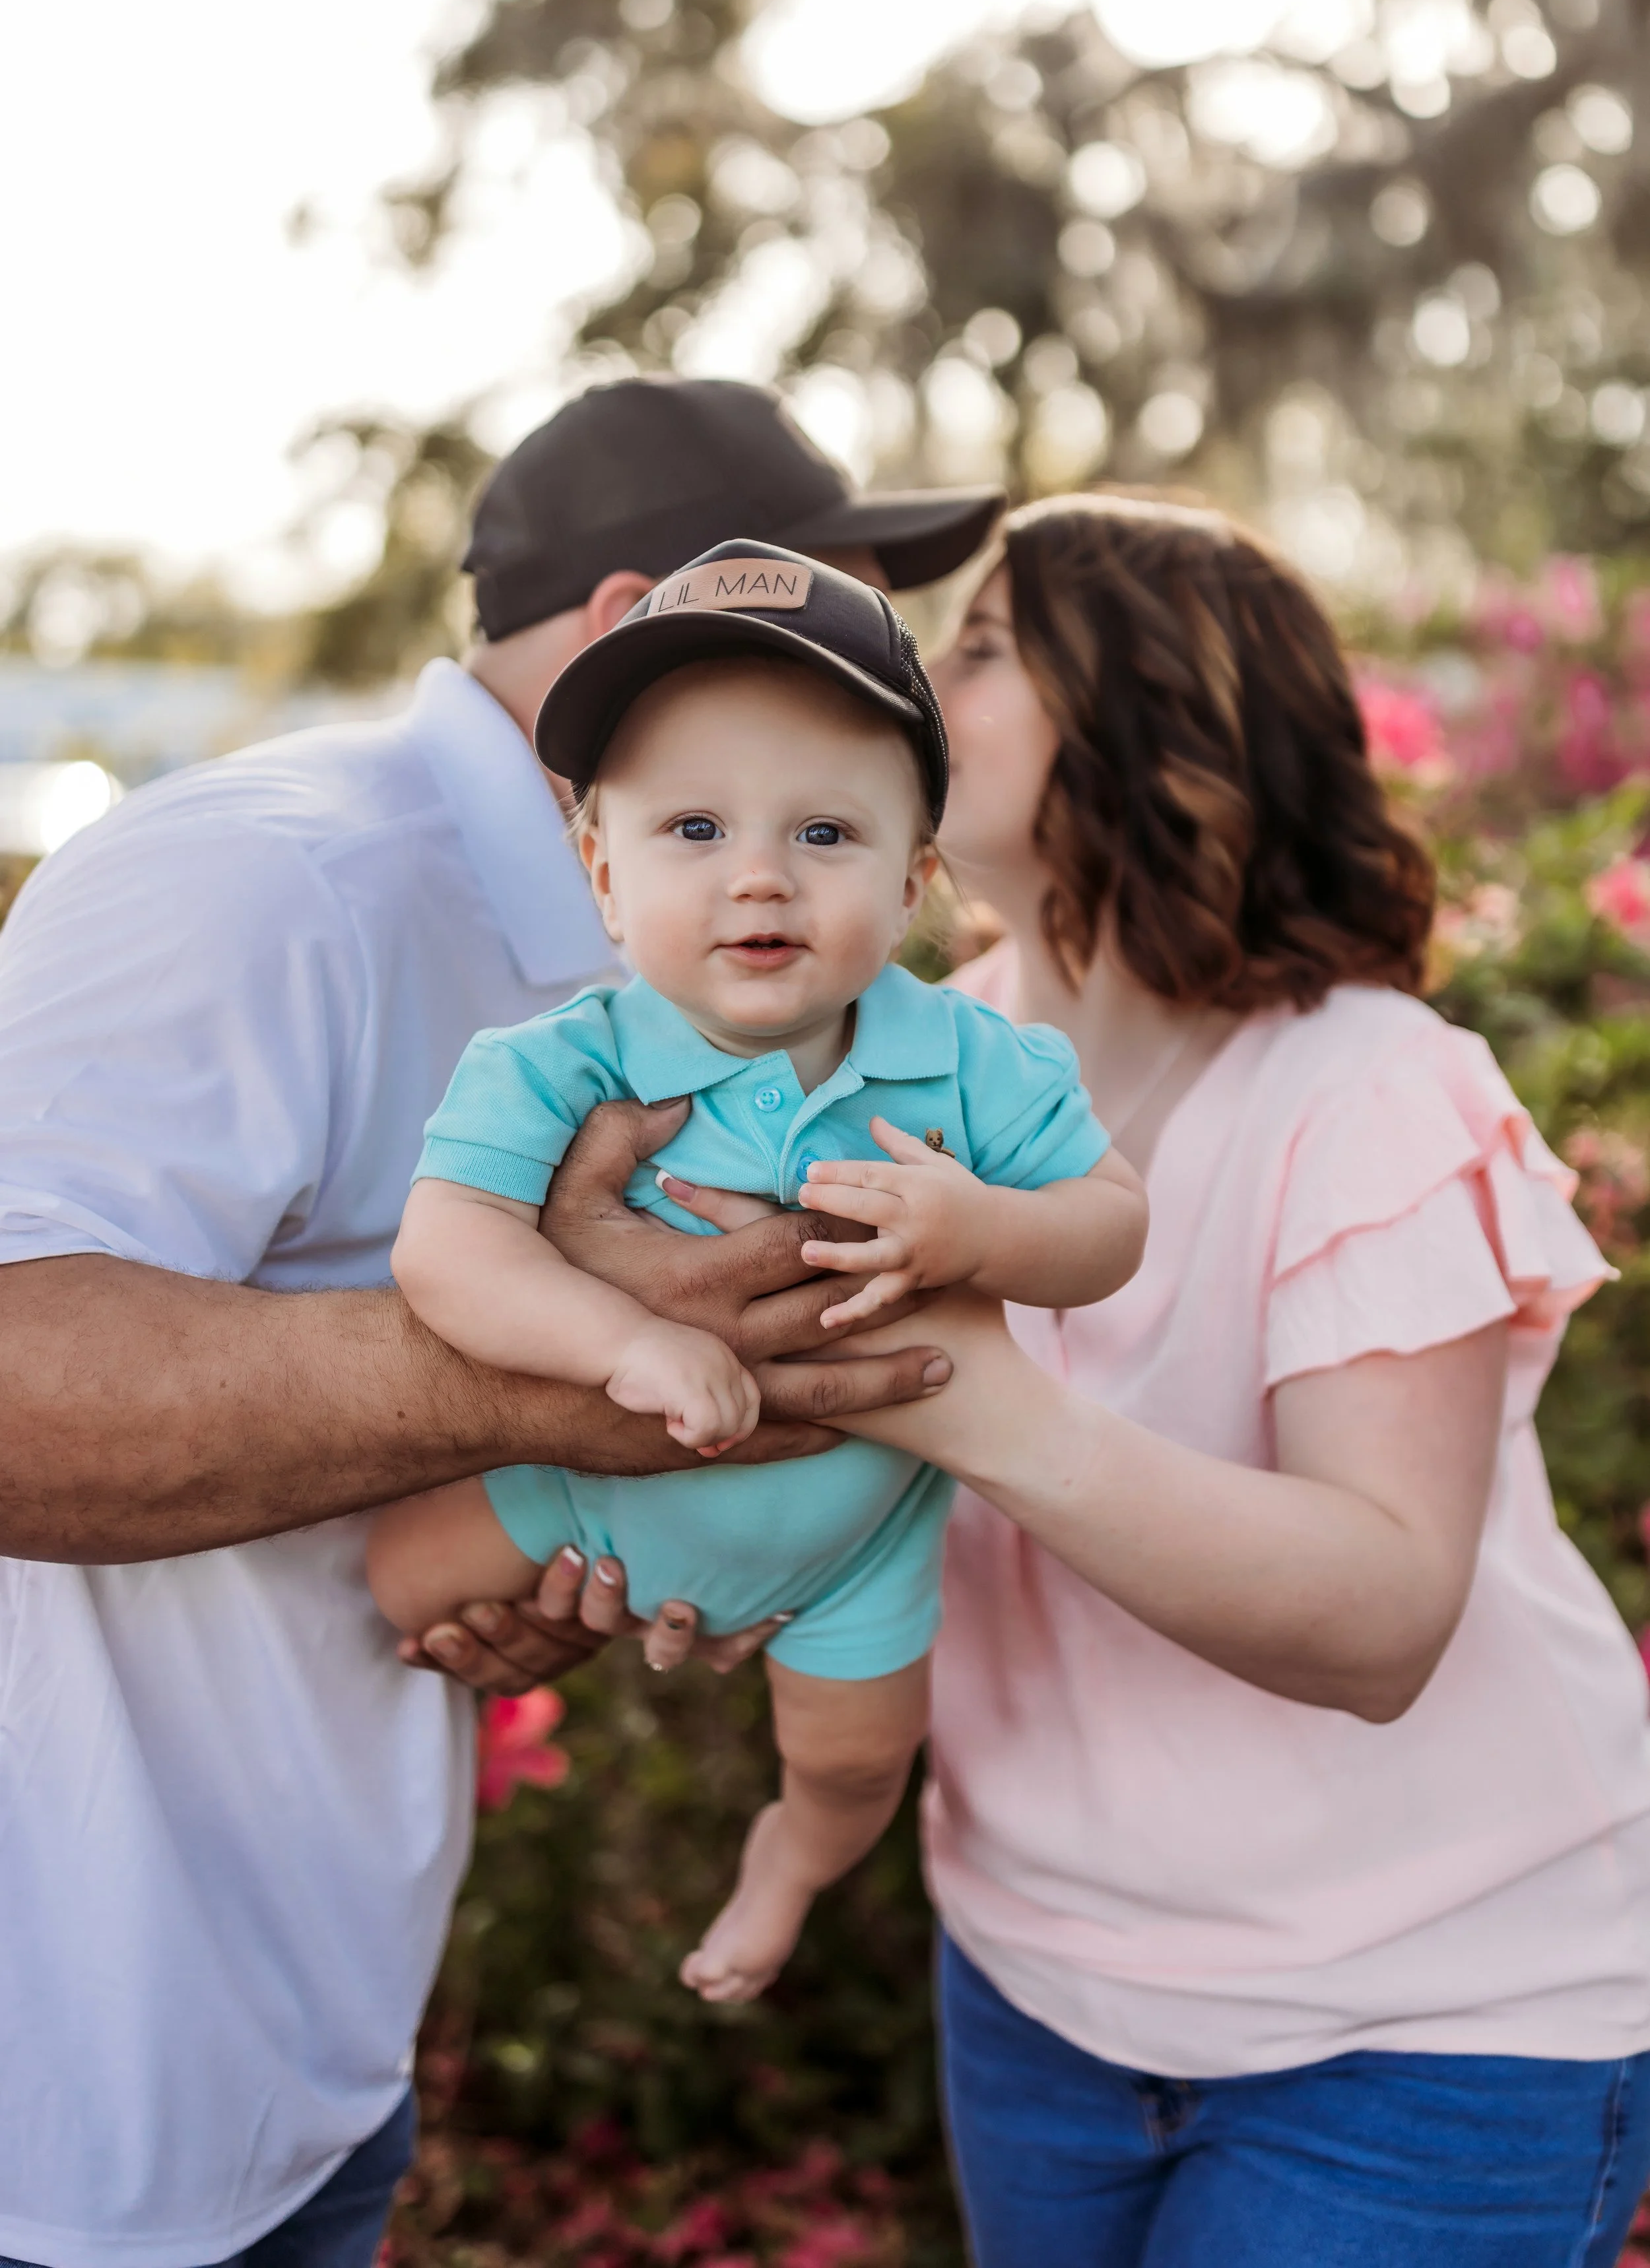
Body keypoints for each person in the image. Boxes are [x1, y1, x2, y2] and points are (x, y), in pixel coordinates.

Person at [0, 381, 1002, 2268]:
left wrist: (533, 1527)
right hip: (66, 2104)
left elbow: (371, 1425)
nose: (895, 711)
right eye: (845, 647)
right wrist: (548, 1370)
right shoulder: (269, 875)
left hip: (302, 2061)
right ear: (635, 629)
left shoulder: (650, 945)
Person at [671, 493, 1650, 2264]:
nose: (904, 674)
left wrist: (979, 1408)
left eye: (973, 647)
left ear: (1142, 716)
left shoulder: (1364, 1089)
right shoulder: (917, 1057)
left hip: (1422, 2030)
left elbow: (1378, 1613)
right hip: (1037, 1985)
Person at [370, 542, 1146, 2005]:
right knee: (395, 1585)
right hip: (584, 1482)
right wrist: (618, 1343)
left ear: (916, 878)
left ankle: (787, 1863)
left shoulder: (973, 1064)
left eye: (826, 833)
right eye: (693, 827)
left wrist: (979, 1230)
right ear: (601, 871)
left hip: (855, 1537)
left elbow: (1109, 1223)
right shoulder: (561, 1061)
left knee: (854, 1754)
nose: (757, 876)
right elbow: (446, 1244)